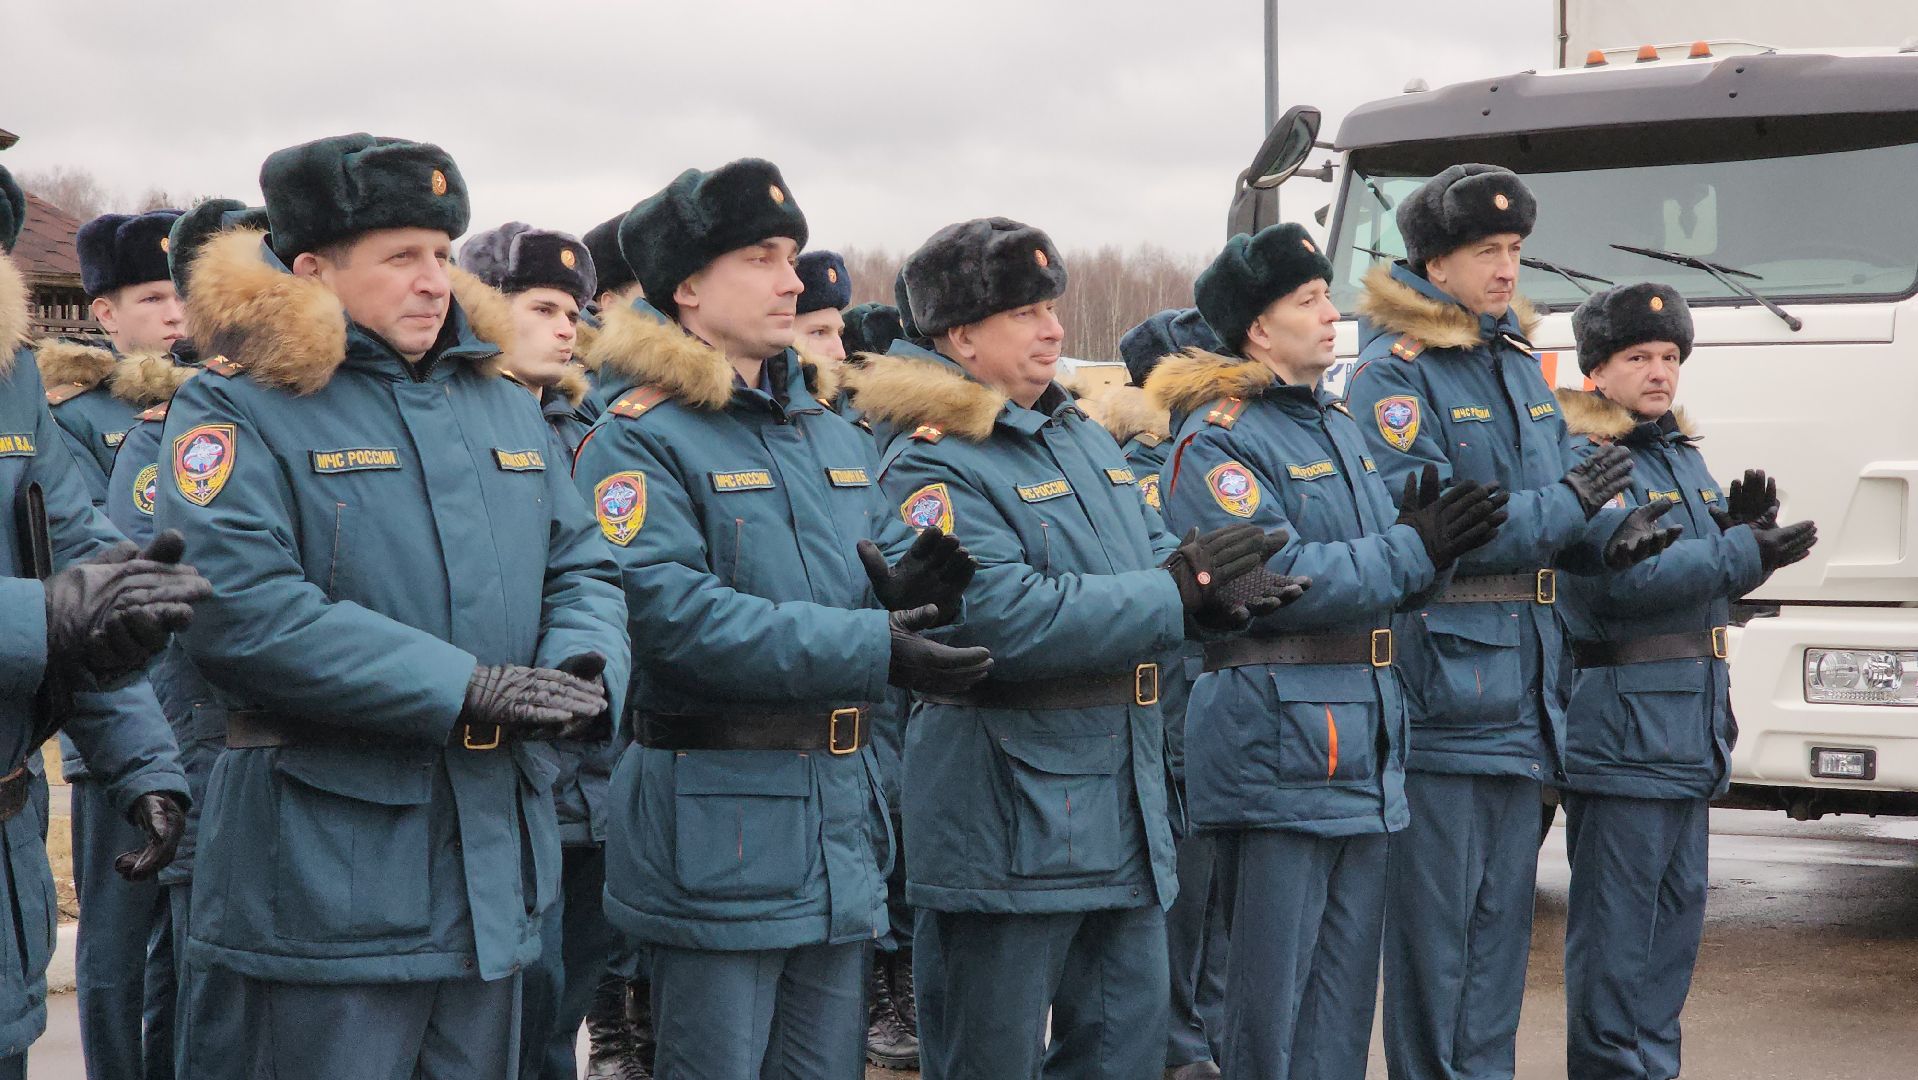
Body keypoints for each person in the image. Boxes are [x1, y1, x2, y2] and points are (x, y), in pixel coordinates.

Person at [154, 133, 631, 1078]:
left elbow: (582, 567)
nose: (434, 281)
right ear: (313, 269)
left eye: (443, 255)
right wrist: (467, 686)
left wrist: (582, 666)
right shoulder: (241, 408)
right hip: (328, 880)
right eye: (400, 257)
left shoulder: (499, 403)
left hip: (491, 871)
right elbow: (241, 610)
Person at [846, 216, 1306, 1080]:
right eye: (1025, 313)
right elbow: (1000, 616)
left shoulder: (1079, 438)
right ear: (961, 335)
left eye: (1051, 307)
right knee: (993, 1058)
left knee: (1123, 1055)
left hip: (1121, 811)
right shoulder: (932, 464)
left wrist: (1206, 604)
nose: (1053, 329)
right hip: (1006, 814)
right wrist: (1172, 594)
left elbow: (1149, 561)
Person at [573, 157, 988, 1080]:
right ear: (685, 288)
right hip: (714, 824)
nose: (792, 280)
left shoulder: (828, 434)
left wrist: (906, 599)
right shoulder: (638, 437)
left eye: (791, 256)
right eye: (761, 257)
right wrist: (873, 641)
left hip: (837, 823)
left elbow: (849, 582)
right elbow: (670, 616)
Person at [1343, 164, 1681, 1080]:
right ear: (1434, 264)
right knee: (1439, 949)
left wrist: (1606, 538)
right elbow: (1444, 525)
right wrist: (1569, 512)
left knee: (1496, 945)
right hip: (1448, 692)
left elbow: (1553, 503)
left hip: (1524, 694)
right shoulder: (1393, 378)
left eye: (1516, 250)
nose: (1506, 269)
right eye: (1486, 252)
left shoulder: (1514, 367)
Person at [1151, 222, 1509, 1079]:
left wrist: (1434, 550)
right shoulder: (1220, 439)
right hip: (1277, 747)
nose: (1330, 315)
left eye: (1326, 297)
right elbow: (1276, 575)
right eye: (1307, 302)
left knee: (1341, 1009)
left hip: (1361, 742)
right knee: (1268, 1012)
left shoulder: (1336, 425)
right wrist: (1411, 551)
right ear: (1257, 329)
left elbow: (1389, 568)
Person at [1555, 283, 1815, 1080]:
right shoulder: (1586, 460)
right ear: (1596, 370)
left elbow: (1696, 591)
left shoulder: (1677, 452)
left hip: (1686, 734)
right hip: (1625, 734)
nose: (1660, 372)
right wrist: (1744, 555)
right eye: (1639, 357)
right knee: (1618, 948)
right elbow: (1621, 585)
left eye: (1670, 357)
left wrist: (1737, 542)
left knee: (1670, 946)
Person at [0, 161, 204, 1080]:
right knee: (122, 972)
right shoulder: (72, 401)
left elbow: (78, 574)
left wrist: (142, 761)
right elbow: (56, 606)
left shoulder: (12, 384)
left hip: (6, 824)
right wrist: (43, 614)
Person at [101, 195, 262, 1080]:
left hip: (262, 751)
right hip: (195, 733)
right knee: (194, 970)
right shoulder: (171, 433)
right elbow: (168, 591)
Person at [458, 220, 622, 1080]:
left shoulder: (587, 428)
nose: (568, 327)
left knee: (564, 1001)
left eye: (576, 311)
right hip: (509, 763)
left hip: (594, 769)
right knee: (512, 1011)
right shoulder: (462, 424)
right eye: (545, 307)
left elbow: (602, 580)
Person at [45, 206, 189, 1080]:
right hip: (115, 710)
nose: (175, 313)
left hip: (187, 711)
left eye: (182, 294)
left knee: (180, 944)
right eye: (152, 295)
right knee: (117, 940)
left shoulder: (203, 402)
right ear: (103, 311)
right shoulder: (70, 418)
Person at [1110, 306, 1229, 1079]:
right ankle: (1179, 1047)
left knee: (1216, 903)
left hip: (1213, 712)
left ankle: (1204, 1035)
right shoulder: (1150, 467)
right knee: (1181, 903)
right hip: (1175, 713)